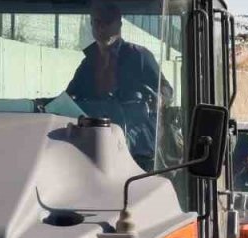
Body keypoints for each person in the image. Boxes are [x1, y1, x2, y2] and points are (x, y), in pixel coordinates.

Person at [66, 1, 172, 167]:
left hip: (137, 151)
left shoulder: (139, 57)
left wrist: (159, 98)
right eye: (98, 23)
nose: (102, 28)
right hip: (95, 148)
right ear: (92, 24)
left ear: (119, 24)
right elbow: (69, 99)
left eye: (108, 22)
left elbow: (166, 88)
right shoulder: (88, 64)